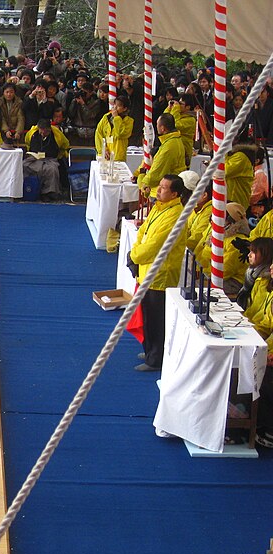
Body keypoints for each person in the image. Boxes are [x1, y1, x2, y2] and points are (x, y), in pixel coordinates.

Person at [129, 174, 187, 372]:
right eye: (159, 186)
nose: (159, 190)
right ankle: (149, 350)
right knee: (146, 315)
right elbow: (143, 232)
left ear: (175, 194)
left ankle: (156, 359)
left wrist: (135, 255)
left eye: (164, 187)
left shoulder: (175, 214)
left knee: (156, 318)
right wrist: (135, 251)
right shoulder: (159, 208)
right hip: (147, 270)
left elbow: (156, 244)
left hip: (160, 274)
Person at [136, 113, 186, 200]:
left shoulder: (169, 147)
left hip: (164, 191)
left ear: (163, 128)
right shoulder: (173, 141)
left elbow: (157, 172)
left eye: (157, 125)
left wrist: (143, 180)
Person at [23, 118, 67, 201]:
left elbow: (65, 145)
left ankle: (49, 193)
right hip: (34, 159)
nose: (42, 133)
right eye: (41, 131)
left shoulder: (57, 135)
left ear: (49, 130)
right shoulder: (32, 133)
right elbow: (27, 143)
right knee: (24, 166)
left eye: (45, 131)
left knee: (52, 170)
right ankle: (28, 189)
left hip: (50, 159)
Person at [94, 96, 134, 162]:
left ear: (125, 109)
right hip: (104, 155)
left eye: (118, 106)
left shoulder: (129, 121)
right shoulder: (106, 117)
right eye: (115, 104)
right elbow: (99, 133)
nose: (115, 107)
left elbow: (120, 133)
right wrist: (103, 149)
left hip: (117, 156)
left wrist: (116, 118)